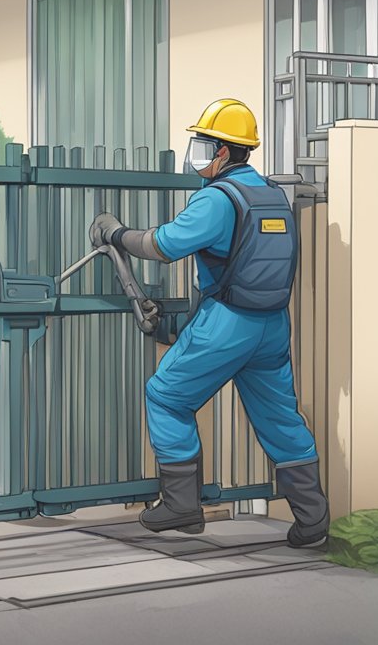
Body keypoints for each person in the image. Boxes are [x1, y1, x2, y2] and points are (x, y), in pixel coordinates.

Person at [88, 98, 330, 548]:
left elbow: (164, 245)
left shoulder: (218, 199)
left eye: (203, 143)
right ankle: (313, 520)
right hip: (272, 323)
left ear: (223, 151)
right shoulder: (271, 195)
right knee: (280, 418)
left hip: (228, 322)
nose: (196, 151)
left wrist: (115, 234)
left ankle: (182, 504)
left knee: (165, 395)